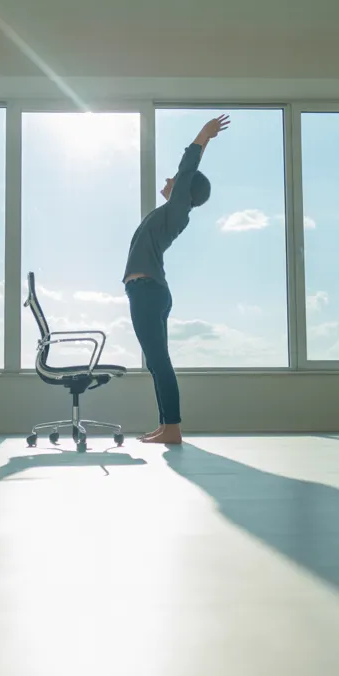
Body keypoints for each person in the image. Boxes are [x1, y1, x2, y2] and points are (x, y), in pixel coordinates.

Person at [122, 114, 229, 444]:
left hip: (148, 292)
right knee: (156, 363)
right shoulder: (169, 214)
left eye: (176, 180)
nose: (168, 180)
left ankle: (173, 428)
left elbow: (185, 172)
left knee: (159, 362)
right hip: (148, 291)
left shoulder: (177, 212)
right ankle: (167, 425)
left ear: (186, 190)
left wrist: (203, 136)